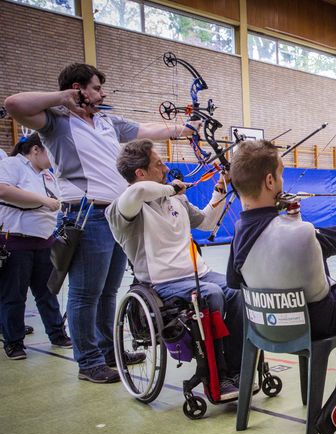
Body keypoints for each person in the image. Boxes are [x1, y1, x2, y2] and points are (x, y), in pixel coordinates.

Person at [4, 63, 198, 383]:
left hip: (118, 215)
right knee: (85, 293)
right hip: (86, 213)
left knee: (109, 291)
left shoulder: (108, 121)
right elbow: (13, 104)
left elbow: (147, 130)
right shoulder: (55, 121)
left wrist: (182, 129)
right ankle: (89, 361)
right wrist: (62, 98)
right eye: (95, 88)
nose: (102, 93)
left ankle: (109, 351)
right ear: (78, 89)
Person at [107, 139, 241, 399]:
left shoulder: (175, 201)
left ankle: (236, 369)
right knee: (211, 294)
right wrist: (169, 188)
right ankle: (218, 376)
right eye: (159, 165)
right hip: (160, 284)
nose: (166, 168)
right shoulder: (122, 209)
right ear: (141, 173)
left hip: (197, 274)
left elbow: (205, 221)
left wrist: (221, 186)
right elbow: (136, 193)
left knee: (237, 288)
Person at [226, 140, 336, 340]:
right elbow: (333, 240)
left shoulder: (239, 232)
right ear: (270, 181)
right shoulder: (301, 232)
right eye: (281, 175)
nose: (282, 182)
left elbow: (233, 282)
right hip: (315, 322)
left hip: (266, 326)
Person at [0, 134, 71, 359]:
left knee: (47, 292)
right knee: (14, 295)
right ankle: (14, 342)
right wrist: (43, 201)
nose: (53, 158)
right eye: (50, 151)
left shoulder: (48, 176)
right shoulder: (12, 165)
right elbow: (3, 190)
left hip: (44, 241)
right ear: (36, 150)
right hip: (16, 241)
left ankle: (57, 333)